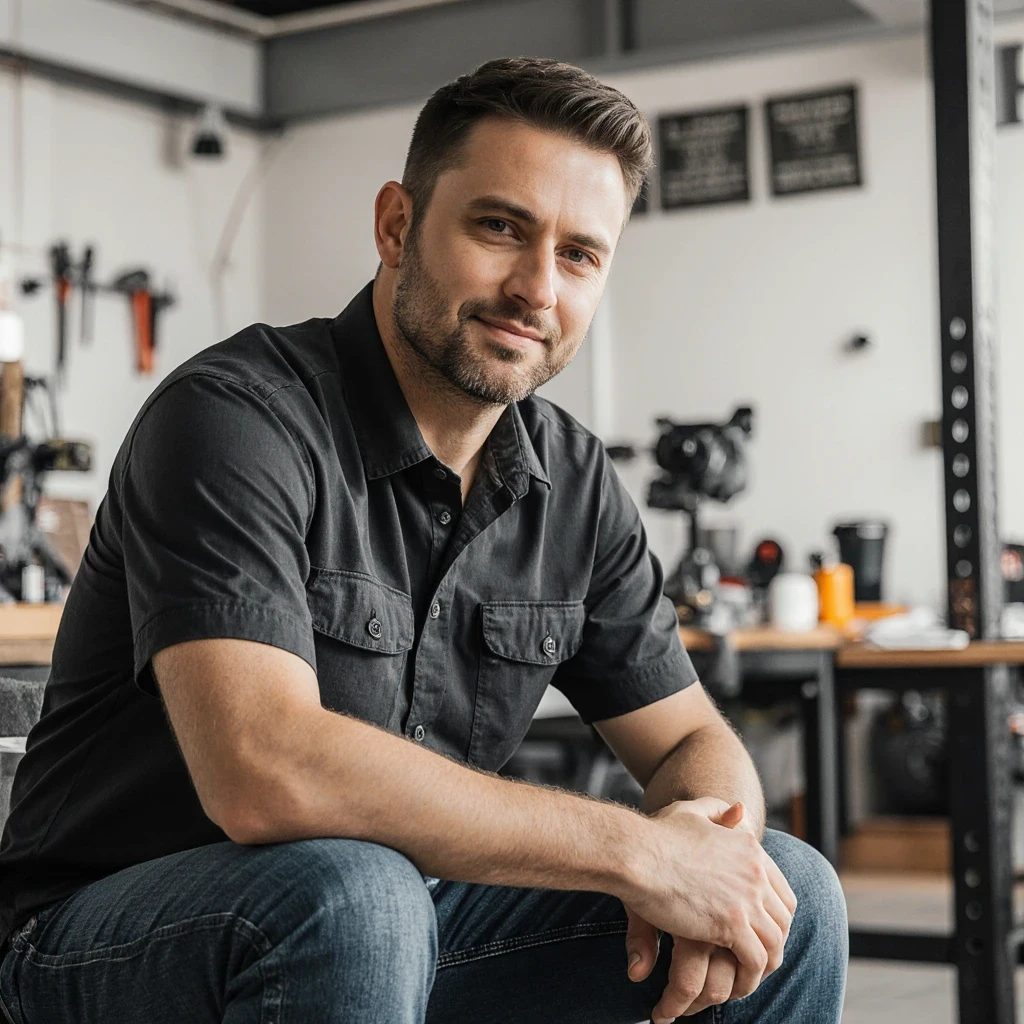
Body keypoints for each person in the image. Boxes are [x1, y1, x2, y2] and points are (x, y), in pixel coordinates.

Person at [0, 57, 847, 1023]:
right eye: (500, 227)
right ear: (397, 225)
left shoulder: (569, 480)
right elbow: (263, 770)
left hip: (407, 918)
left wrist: (710, 844)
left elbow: (692, 735)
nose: (536, 287)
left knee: (789, 896)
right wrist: (641, 852)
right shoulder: (235, 419)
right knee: (355, 897)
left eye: (580, 255)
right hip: (106, 937)